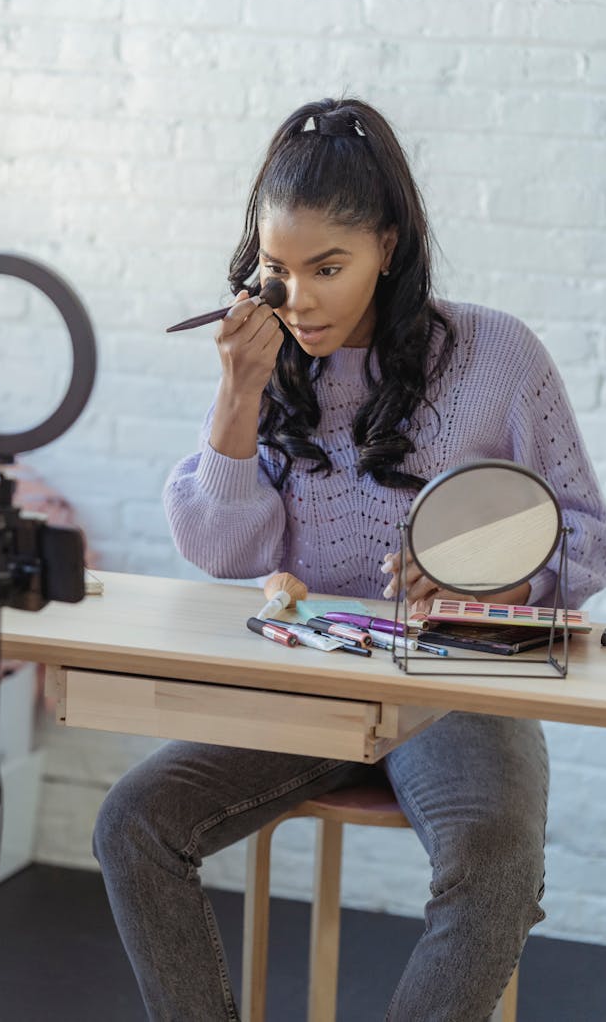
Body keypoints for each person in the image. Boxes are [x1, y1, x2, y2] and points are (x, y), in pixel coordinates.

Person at [93, 98, 606, 1021]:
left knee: (495, 865)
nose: (306, 298)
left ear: (390, 246)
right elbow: (223, 549)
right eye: (281, 271)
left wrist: (487, 576)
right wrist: (236, 395)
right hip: (308, 678)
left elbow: (584, 531)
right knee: (133, 822)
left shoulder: (498, 355)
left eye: (330, 268)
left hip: (455, 681)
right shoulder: (269, 358)